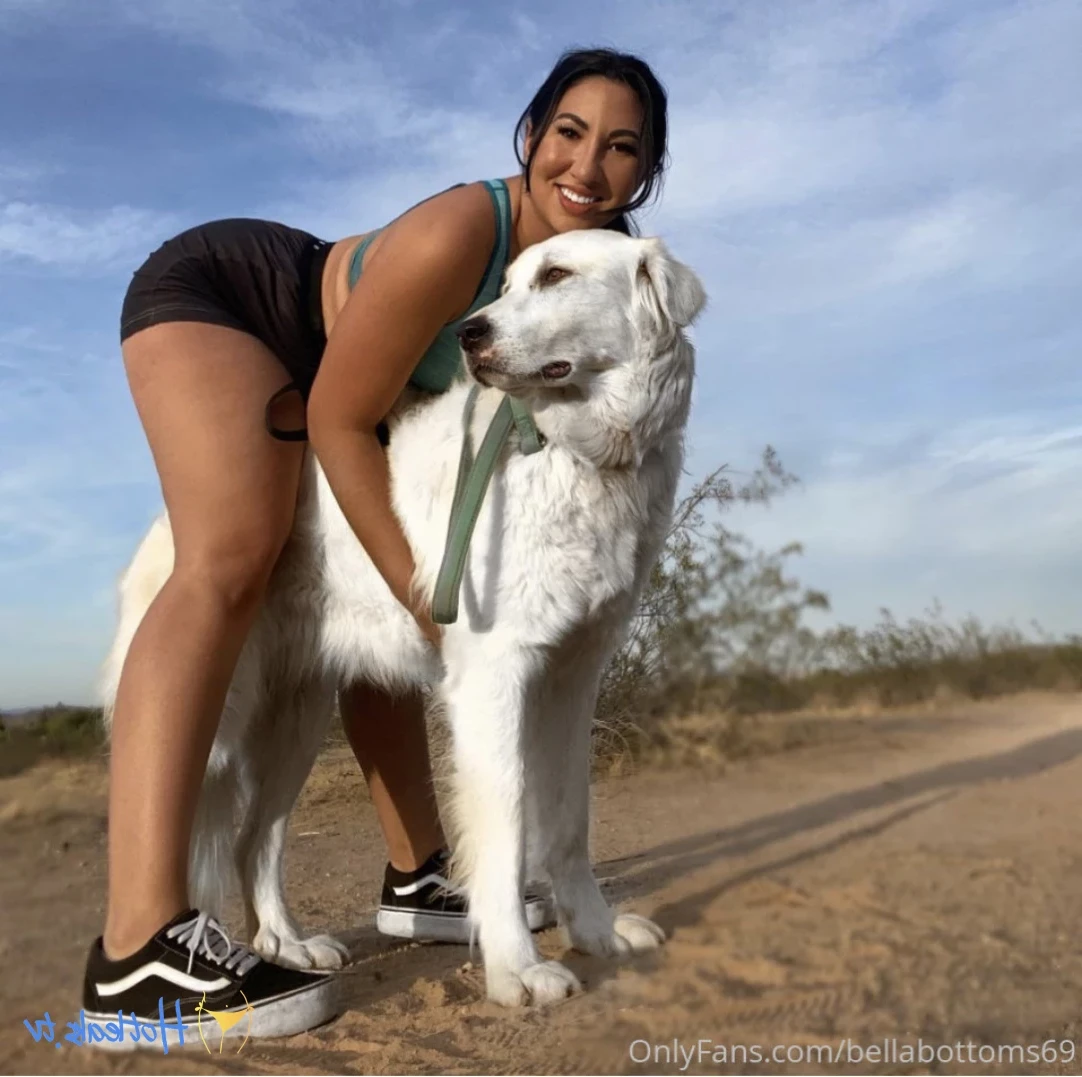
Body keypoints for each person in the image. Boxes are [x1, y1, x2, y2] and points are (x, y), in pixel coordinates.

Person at [81, 45, 671, 1042]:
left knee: (374, 626)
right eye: (568, 133)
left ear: (645, 171)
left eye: (621, 147)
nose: (587, 165)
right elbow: (339, 417)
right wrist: (421, 590)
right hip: (239, 300)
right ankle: (136, 945)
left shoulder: (602, 265)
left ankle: (417, 873)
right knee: (235, 551)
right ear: (530, 136)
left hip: (353, 379)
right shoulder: (461, 234)